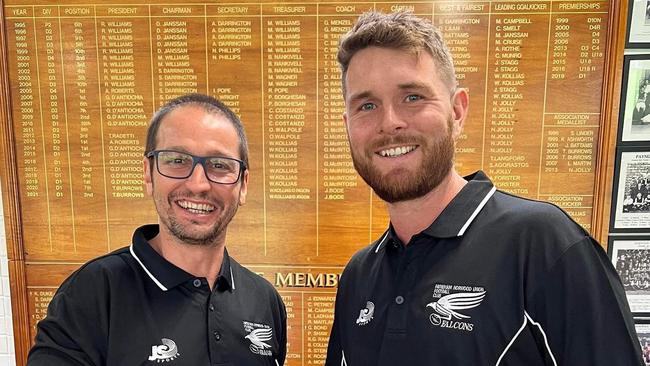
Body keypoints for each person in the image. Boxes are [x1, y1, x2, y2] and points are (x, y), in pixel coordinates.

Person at [325, 11, 643, 365]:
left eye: (412, 97)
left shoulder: (545, 246)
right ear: (348, 125)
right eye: (366, 105)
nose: (390, 122)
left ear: (457, 111)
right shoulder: (358, 276)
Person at [28, 94, 287, 365]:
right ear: (148, 173)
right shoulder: (92, 294)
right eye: (177, 160)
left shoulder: (264, 300)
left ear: (243, 185)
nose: (198, 184)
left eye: (219, 165)